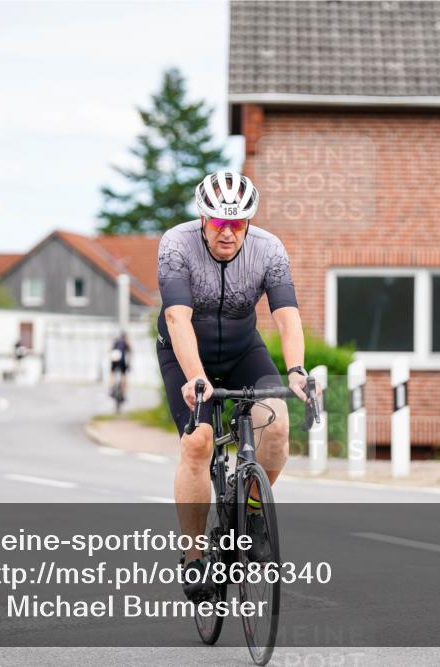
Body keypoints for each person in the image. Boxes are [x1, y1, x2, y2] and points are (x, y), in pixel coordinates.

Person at [156, 170, 310, 601]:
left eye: (237, 223)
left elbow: (286, 314)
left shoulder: (269, 249)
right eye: (218, 222)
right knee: (199, 442)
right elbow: (176, 317)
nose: (227, 232)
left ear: (248, 222)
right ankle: (192, 555)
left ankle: (253, 512)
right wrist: (196, 376)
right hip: (185, 356)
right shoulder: (175, 246)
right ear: (202, 218)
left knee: (277, 425)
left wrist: (296, 368)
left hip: (244, 351)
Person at [109, 333, 131, 406]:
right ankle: (124, 393)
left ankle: (112, 387)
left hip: (114, 360)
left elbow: (110, 350)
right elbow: (130, 352)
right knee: (125, 376)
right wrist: (129, 364)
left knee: (112, 372)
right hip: (122, 361)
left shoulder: (116, 342)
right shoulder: (126, 343)